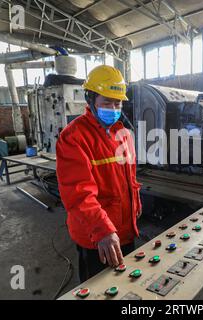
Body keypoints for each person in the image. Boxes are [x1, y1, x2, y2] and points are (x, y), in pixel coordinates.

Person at [56, 65, 142, 283]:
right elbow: (78, 194)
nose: (113, 108)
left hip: (125, 229)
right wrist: (102, 231)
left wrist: (136, 204)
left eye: (118, 103)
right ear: (90, 100)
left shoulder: (124, 134)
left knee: (126, 286)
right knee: (99, 290)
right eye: (107, 103)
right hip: (97, 236)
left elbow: (130, 178)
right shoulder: (73, 137)